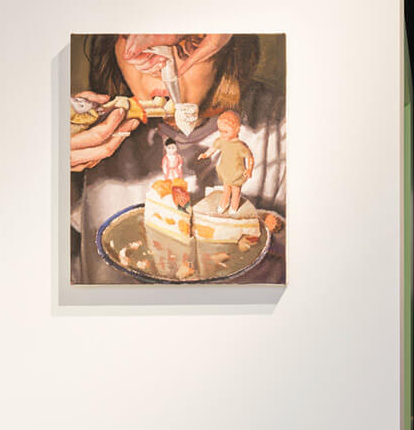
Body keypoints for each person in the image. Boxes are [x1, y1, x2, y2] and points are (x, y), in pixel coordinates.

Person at [69, 33, 286, 284]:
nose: (162, 66)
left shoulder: (282, 127)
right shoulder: (81, 130)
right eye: (134, 41)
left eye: (189, 43)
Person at [199, 110, 254, 215]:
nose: (222, 134)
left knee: (236, 191)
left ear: (237, 130)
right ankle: (223, 205)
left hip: (237, 172)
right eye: (220, 131)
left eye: (226, 132)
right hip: (226, 171)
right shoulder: (221, 141)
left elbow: (249, 157)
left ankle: (233, 208)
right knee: (226, 190)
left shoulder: (240, 146)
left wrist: (249, 169)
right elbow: (213, 148)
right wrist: (206, 154)